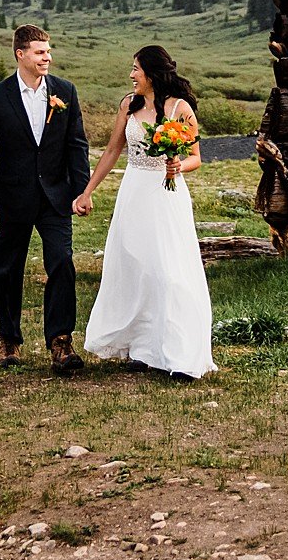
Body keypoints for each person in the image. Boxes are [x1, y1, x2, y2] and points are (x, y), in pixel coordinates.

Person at [76, 44, 215, 379]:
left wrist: (178, 166)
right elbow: (112, 150)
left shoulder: (180, 108)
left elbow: (196, 156)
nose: (131, 75)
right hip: (134, 191)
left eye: (136, 68)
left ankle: (180, 353)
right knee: (135, 267)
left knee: (168, 270)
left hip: (166, 196)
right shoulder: (129, 104)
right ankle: (141, 347)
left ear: (152, 73)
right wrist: (87, 190)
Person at [0, 24, 92, 372]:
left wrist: (81, 191)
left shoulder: (65, 91)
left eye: (48, 51)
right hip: (11, 198)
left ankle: (60, 342)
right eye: (40, 52)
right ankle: (9, 339)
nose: (47, 57)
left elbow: (77, 146)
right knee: (8, 269)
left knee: (62, 263)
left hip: (56, 198)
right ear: (20, 54)